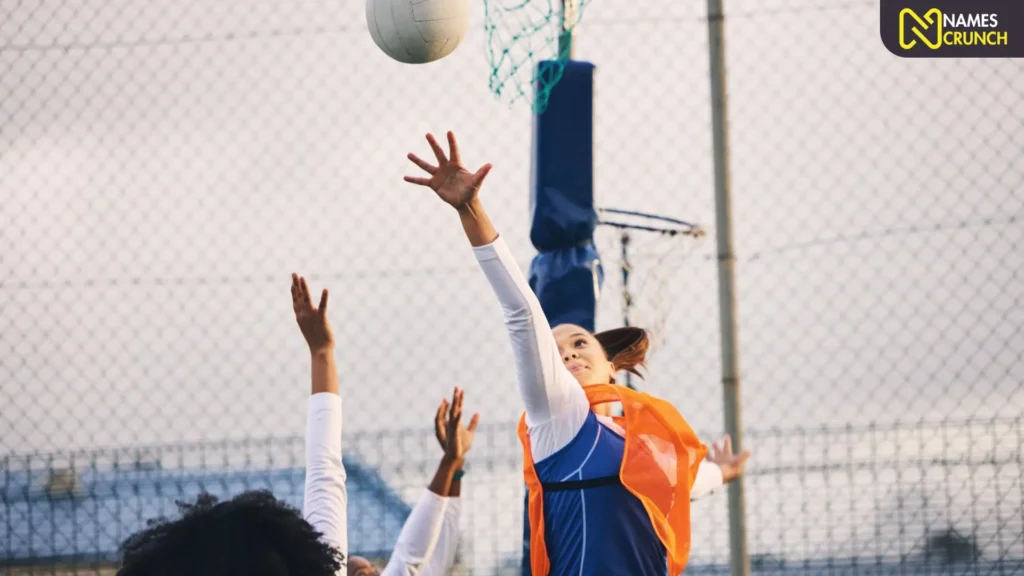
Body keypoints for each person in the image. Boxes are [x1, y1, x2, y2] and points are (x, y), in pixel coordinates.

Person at [404, 132, 752, 575]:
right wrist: (471, 210)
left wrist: (722, 472)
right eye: (556, 348)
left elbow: (691, 483)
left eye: (580, 343)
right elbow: (520, 312)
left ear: (611, 366)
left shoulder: (645, 440)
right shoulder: (557, 415)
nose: (567, 353)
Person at [116, 274, 473, 576]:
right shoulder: (323, 564)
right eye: (363, 571)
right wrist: (322, 353)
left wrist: (322, 354)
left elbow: (329, 475)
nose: (371, 571)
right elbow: (410, 552)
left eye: (366, 571)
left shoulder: (321, 559)